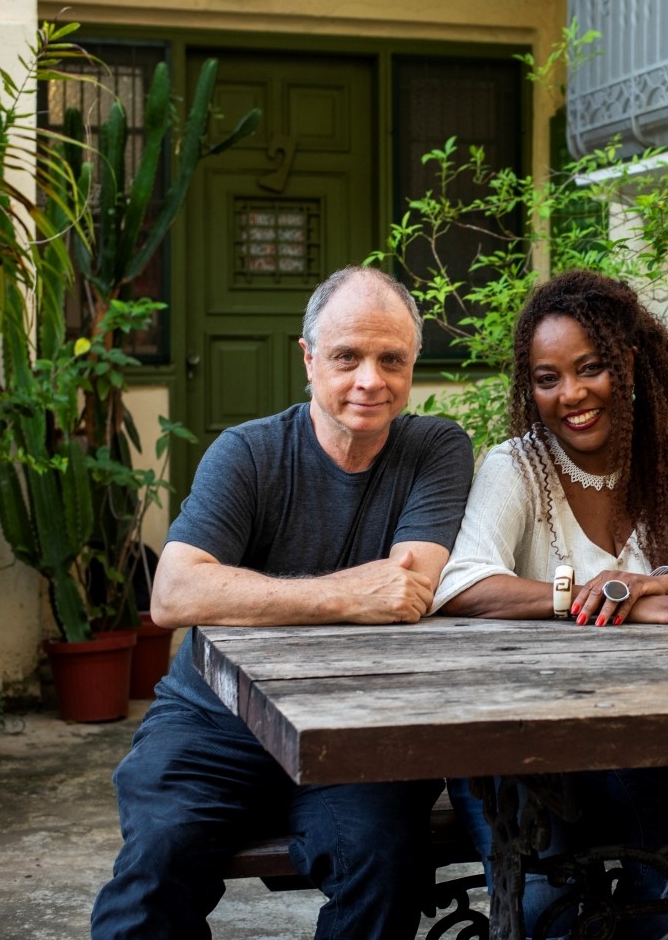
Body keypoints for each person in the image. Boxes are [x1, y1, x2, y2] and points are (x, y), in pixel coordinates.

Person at [90, 266, 474, 940]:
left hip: (359, 724)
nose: (369, 380)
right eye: (346, 356)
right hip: (217, 720)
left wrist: (247, 593)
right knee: (154, 872)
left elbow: (407, 591)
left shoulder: (434, 449)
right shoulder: (249, 452)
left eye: (392, 360)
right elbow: (175, 593)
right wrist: (350, 593)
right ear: (308, 359)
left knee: (382, 867)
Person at [434, 269, 668, 939]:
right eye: (548, 379)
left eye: (590, 368)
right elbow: (462, 586)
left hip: (649, 736)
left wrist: (663, 583)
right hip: (522, 744)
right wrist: (589, 597)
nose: (570, 394)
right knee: (547, 918)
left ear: (625, 362)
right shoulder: (517, 466)